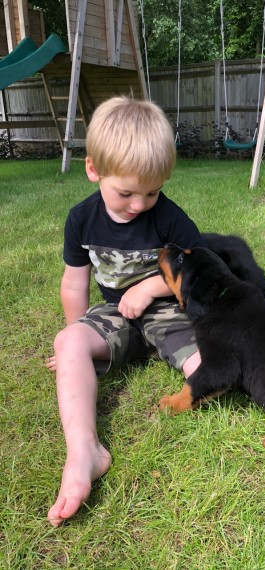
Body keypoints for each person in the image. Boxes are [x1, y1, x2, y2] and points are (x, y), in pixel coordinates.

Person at [45, 96, 203, 526]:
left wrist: (153, 286)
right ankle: (85, 452)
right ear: (93, 169)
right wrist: (74, 334)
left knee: (208, 365)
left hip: (167, 311)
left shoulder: (168, 217)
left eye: (152, 192)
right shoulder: (81, 219)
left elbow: (198, 264)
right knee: (70, 343)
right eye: (127, 193)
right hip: (115, 315)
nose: (139, 205)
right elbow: (74, 282)